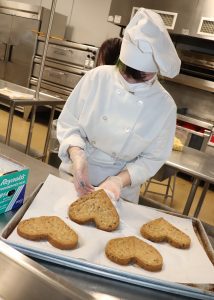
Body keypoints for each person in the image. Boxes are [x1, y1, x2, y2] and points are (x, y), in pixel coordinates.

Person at [57, 8, 181, 203]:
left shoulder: (164, 106)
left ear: (155, 71)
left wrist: (118, 181)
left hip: (121, 192)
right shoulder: (97, 77)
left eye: (140, 77)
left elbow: (152, 158)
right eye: (125, 74)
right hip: (75, 175)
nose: (130, 82)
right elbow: (69, 123)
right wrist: (77, 156)